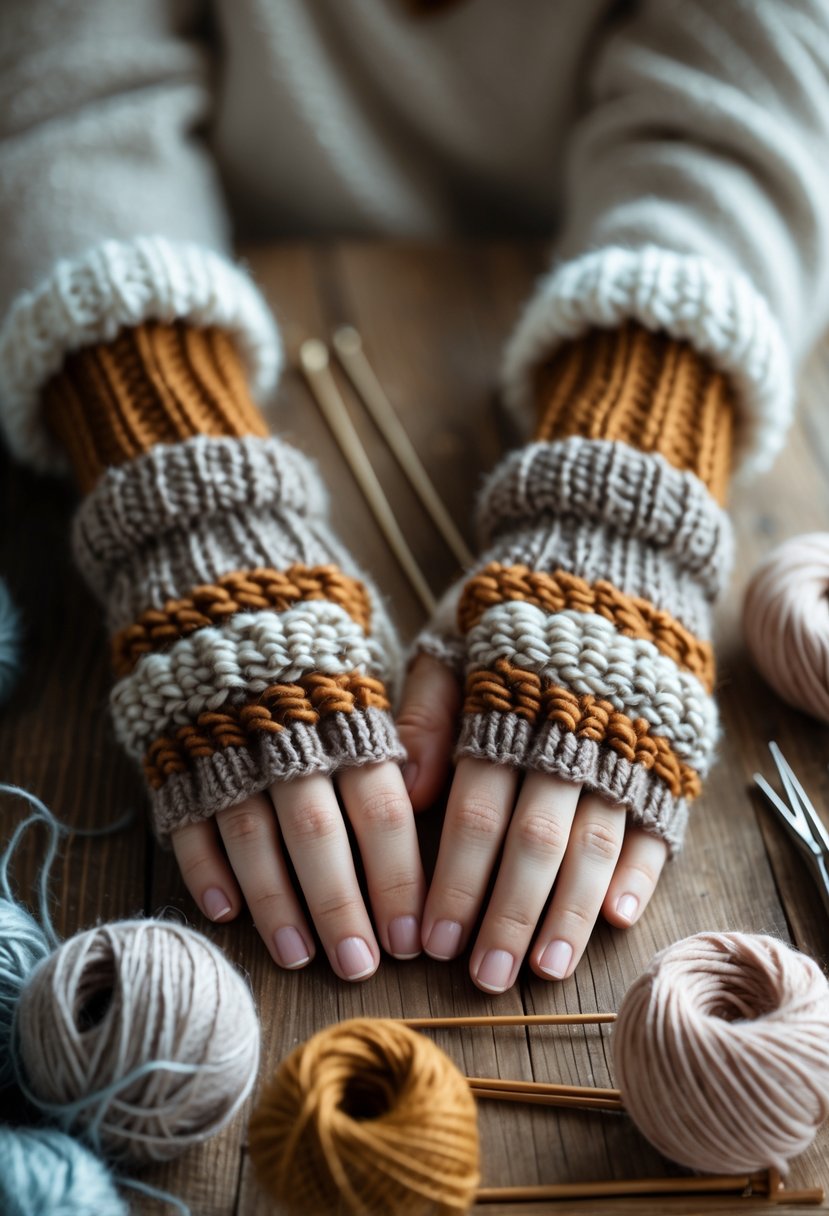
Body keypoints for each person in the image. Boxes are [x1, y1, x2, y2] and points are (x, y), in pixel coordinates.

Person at [1, 0, 827, 992]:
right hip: (207, 247)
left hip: (634, 252)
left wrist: (639, 438)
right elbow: (68, 101)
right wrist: (161, 437)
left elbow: (746, 99)